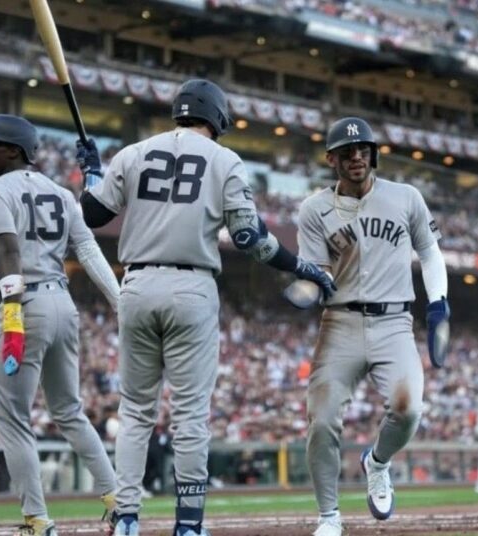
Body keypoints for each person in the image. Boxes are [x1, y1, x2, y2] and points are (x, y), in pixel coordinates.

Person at [78, 78, 336, 536]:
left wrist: (92, 176)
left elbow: (93, 215)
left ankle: (126, 520)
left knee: (136, 411)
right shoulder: (226, 160)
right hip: (192, 287)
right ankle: (189, 525)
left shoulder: (134, 152)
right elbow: (249, 241)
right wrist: (301, 267)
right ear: (216, 117)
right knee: (190, 415)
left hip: (134, 284)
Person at [296, 116, 450, 536]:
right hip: (340, 321)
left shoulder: (405, 197)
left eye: (363, 149)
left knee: (409, 408)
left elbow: (431, 253)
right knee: (322, 419)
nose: (357, 156)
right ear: (332, 159)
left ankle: (377, 462)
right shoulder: (313, 209)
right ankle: (329, 517)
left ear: (373, 154)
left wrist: (438, 302)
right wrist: (306, 290)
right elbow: (318, 272)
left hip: (395, 321)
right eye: (347, 152)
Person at [0, 114, 121, 536]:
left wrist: (13, 314)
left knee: (14, 418)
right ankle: (117, 500)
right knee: (70, 411)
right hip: (62, 304)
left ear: (14, 151)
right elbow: (88, 251)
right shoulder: (61, 192)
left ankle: (37, 520)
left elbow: (8, 251)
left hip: (23, 303)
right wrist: (120, 304)